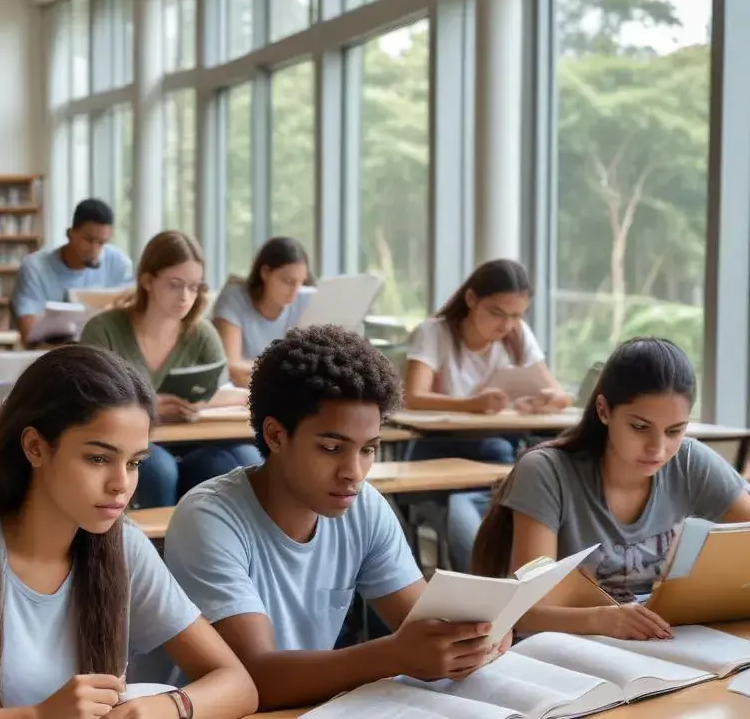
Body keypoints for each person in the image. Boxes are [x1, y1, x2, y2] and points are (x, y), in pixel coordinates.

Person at [0, 345, 258, 719]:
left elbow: (238, 684)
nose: (121, 484)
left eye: (135, 462)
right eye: (98, 458)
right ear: (34, 447)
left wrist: (166, 708)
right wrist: (37, 716)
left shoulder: (123, 544)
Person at [165, 325, 505, 711]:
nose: (354, 472)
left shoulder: (364, 506)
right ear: (275, 436)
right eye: (331, 448)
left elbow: (424, 625)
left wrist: (473, 637)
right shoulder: (209, 519)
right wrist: (394, 655)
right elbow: (253, 677)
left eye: (369, 450)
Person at [472, 336, 750, 640]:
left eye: (674, 431)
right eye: (639, 427)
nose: (658, 449)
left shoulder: (689, 460)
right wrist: (604, 620)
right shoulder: (546, 472)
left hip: (660, 643)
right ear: (604, 410)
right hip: (566, 649)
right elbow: (524, 614)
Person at [402, 258, 569, 572]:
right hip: (437, 449)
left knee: (518, 491)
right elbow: (412, 397)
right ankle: (484, 590)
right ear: (471, 299)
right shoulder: (434, 333)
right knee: (465, 510)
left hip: (495, 452)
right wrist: (469, 404)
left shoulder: (517, 336)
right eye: (497, 312)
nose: (506, 325)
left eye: (516, 315)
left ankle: (520, 589)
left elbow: (559, 395)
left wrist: (542, 402)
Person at [81, 231, 259, 507]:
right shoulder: (103, 330)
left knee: (243, 462)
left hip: (194, 439)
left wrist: (203, 403)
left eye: (194, 286)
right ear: (148, 280)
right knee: (158, 470)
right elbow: (86, 401)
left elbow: (220, 392)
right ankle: (157, 548)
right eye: (175, 284)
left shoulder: (202, 333)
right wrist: (147, 407)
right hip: (131, 441)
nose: (185, 297)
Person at [11, 198, 133, 342]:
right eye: (88, 240)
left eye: (101, 243)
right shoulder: (35, 268)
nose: (95, 250)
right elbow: (29, 333)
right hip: (51, 353)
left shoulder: (118, 263)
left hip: (103, 350)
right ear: (70, 234)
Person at [212, 237, 314, 387]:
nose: (294, 291)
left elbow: (308, 364)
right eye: (288, 281)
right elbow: (232, 367)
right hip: (239, 394)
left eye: (300, 282)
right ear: (265, 272)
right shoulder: (234, 298)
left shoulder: (305, 299)